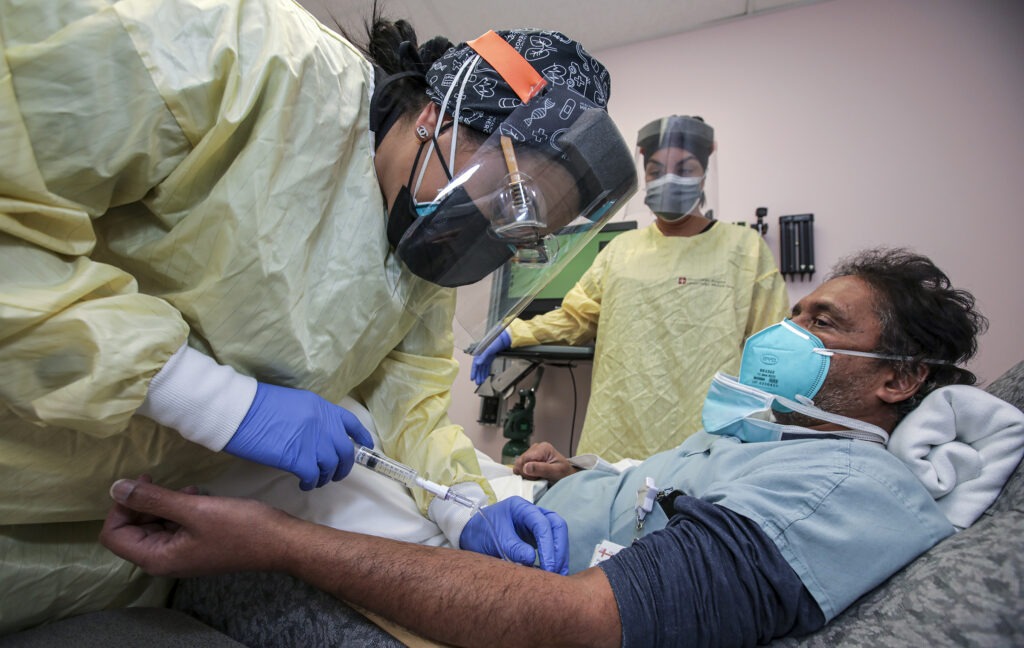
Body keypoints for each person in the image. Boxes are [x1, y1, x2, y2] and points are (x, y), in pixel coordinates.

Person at [0, 0, 637, 632]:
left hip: (122, 531)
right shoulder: (239, 56)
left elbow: (409, 405)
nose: (496, 232)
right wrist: (216, 401)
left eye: (523, 228)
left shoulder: (419, 262)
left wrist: (463, 507)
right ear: (441, 114)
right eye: (512, 197)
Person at [101, 247, 1005, 647]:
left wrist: (276, 542)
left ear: (898, 378)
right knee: (332, 426)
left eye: (823, 322)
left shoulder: (847, 486)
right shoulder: (779, 440)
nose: (788, 332)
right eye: (795, 314)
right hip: (524, 511)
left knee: (255, 476)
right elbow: (670, 498)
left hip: (519, 565)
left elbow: (577, 622)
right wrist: (580, 475)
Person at [471, 114, 790, 461]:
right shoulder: (622, 250)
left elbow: (772, 349)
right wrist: (511, 333)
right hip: (616, 437)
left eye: (684, 169)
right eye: (655, 171)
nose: (667, 180)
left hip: (707, 444)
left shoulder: (744, 248)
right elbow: (574, 319)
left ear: (704, 174)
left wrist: (762, 436)